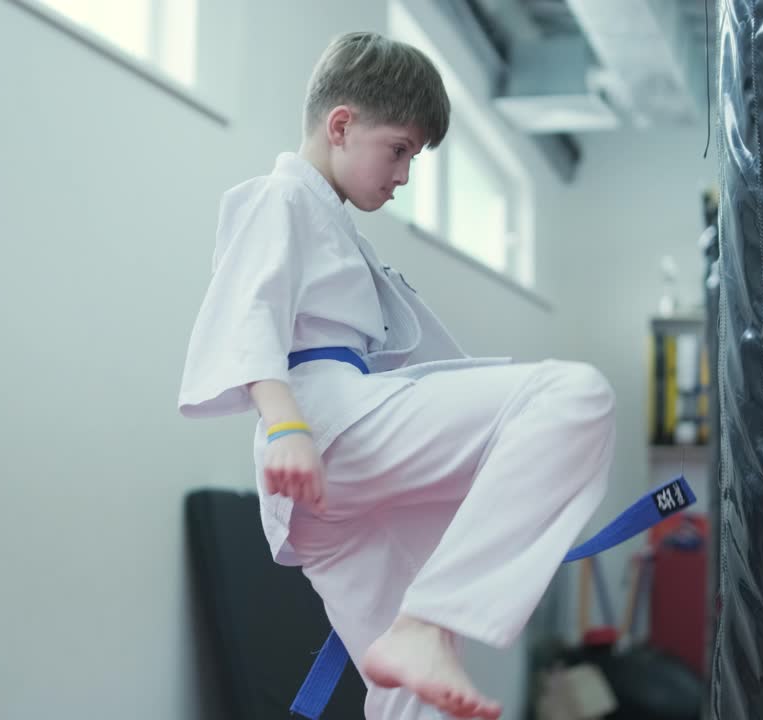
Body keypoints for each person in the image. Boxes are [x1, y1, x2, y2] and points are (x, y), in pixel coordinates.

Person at [178, 30, 617, 720]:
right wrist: (287, 421)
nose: (406, 175)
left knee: (418, 701)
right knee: (574, 396)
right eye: (401, 149)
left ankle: (419, 637)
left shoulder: (334, 227)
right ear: (342, 124)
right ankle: (428, 623)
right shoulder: (280, 199)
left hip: (327, 489)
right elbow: (246, 312)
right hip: (323, 425)